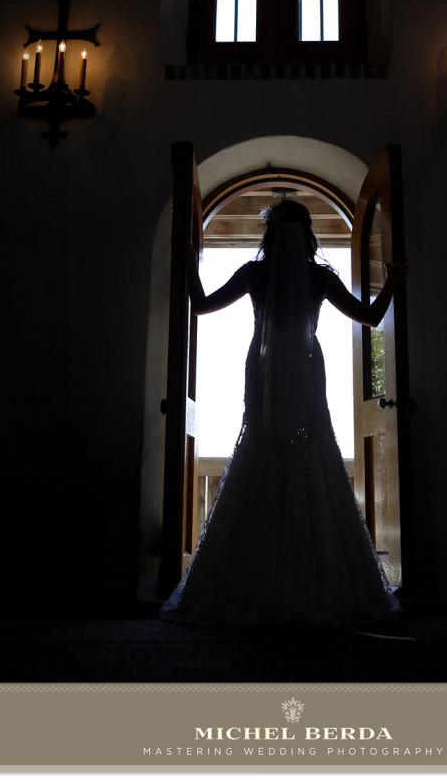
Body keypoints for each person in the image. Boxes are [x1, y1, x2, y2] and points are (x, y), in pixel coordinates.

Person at [159, 199, 407, 626]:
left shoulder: (255, 273)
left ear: (270, 234)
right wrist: (393, 281)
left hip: (264, 364)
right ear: (307, 234)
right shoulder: (318, 277)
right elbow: (368, 315)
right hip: (307, 364)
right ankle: (322, 574)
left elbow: (199, 305)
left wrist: (185, 261)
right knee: (311, 448)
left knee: (262, 442)